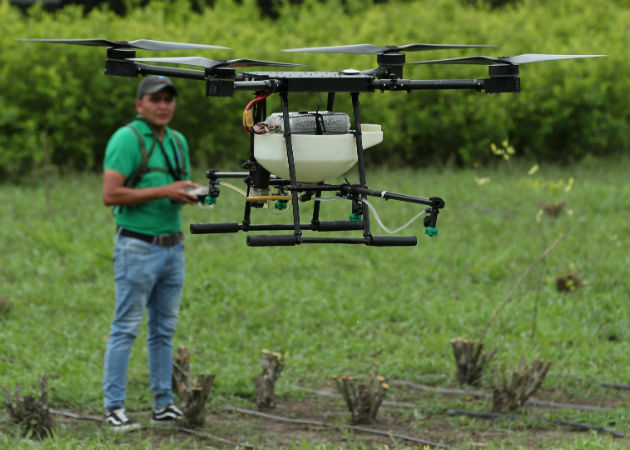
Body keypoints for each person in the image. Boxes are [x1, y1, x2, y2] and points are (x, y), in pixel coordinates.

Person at [102, 75, 199, 432]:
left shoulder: (177, 142)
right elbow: (110, 195)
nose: (163, 106)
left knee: (164, 331)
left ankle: (163, 404)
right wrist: (165, 191)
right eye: (154, 99)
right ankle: (114, 408)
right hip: (137, 246)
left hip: (173, 248)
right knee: (126, 328)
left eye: (168, 99)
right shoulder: (126, 139)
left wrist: (190, 194)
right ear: (139, 104)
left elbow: (178, 188)